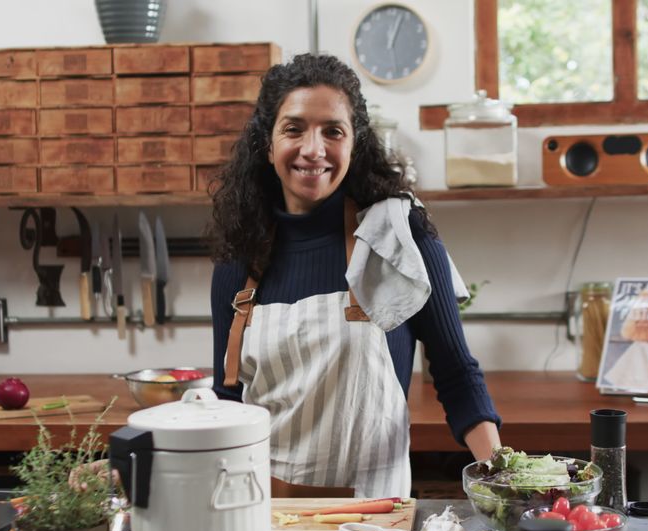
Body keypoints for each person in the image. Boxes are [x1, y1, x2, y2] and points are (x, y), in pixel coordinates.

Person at [205, 53, 501, 498]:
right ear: (266, 145)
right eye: (294, 128)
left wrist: (503, 476)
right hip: (261, 513)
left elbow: (456, 374)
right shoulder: (238, 263)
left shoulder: (397, 238)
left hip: (375, 522)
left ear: (354, 144)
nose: (313, 149)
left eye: (332, 131)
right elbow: (227, 401)